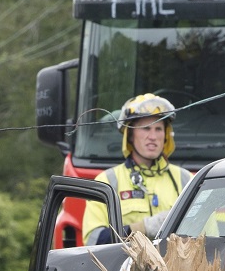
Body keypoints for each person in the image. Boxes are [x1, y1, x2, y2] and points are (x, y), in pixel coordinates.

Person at [82, 93, 193, 244]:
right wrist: (143, 228)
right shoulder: (107, 181)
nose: (153, 136)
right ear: (130, 135)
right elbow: (93, 240)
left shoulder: (186, 179)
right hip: (126, 267)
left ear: (166, 135)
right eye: (145, 128)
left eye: (158, 129)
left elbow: (210, 235)